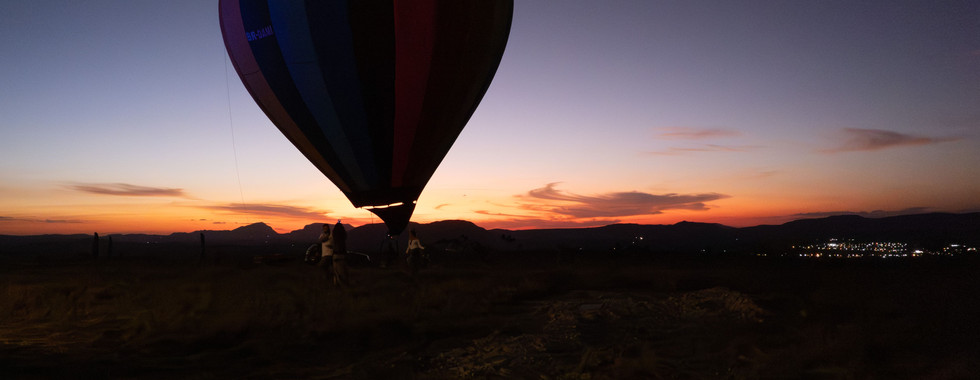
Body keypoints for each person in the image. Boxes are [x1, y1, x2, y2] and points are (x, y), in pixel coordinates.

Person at [331, 221, 349, 287]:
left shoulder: (334, 236)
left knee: (336, 272)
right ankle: (343, 286)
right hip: (342, 255)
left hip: (335, 254)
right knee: (343, 272)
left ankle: (337, 285)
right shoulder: (343, 236)